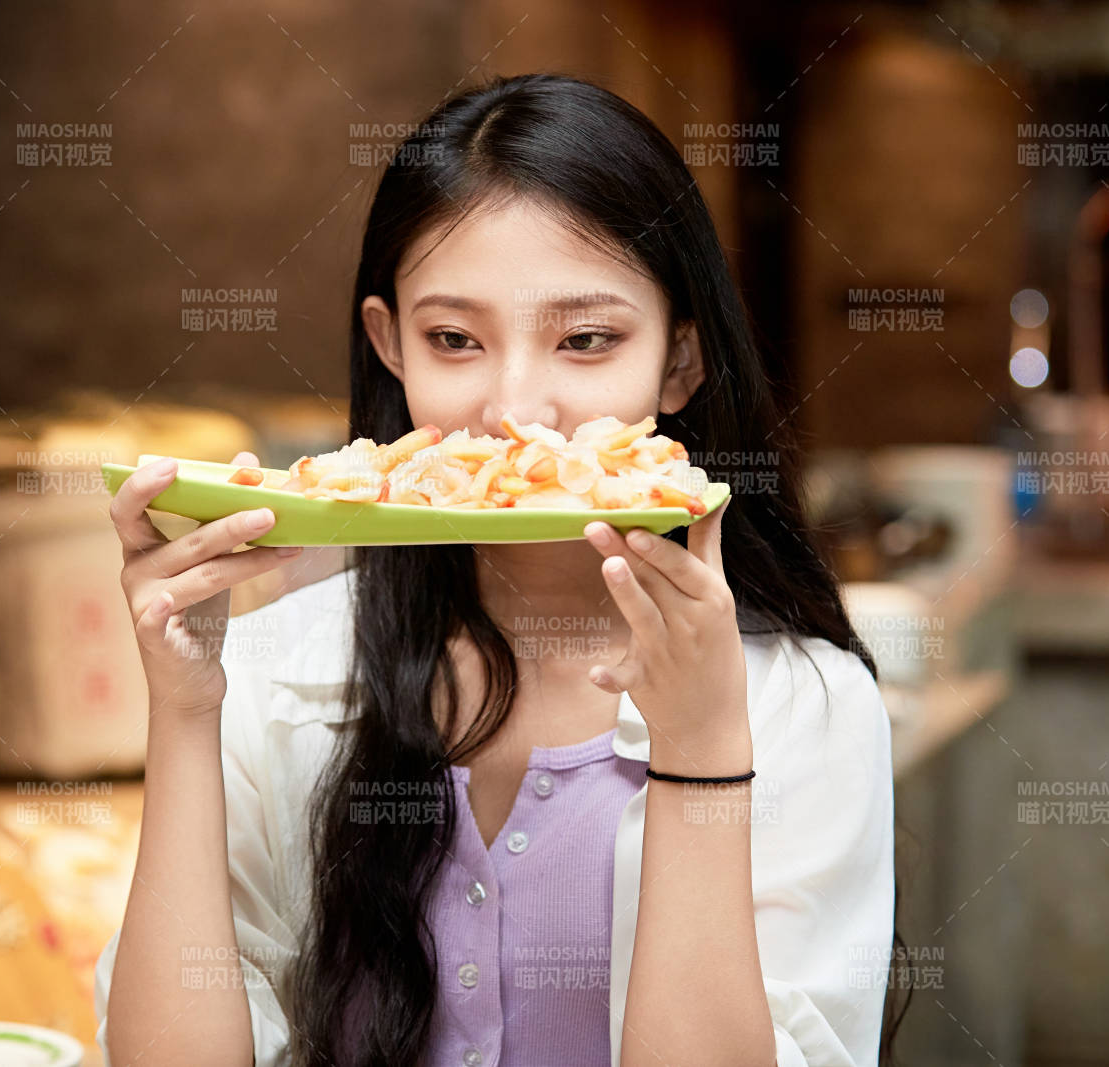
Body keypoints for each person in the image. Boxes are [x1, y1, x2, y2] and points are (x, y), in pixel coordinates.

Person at [95, 72, 901, 1067]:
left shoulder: (805, 704)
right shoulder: (276, 668)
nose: (517, 408)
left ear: (680, 359)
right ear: (390, 345)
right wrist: (182, 711)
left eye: (586, 339)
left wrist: (700, 749)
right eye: (455, 339)